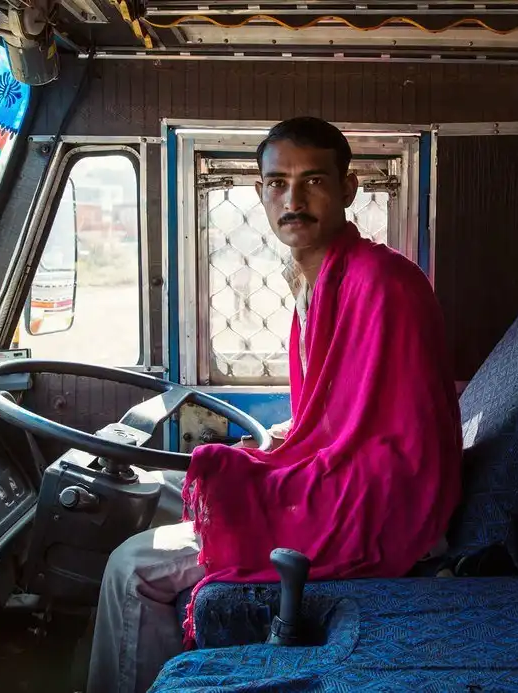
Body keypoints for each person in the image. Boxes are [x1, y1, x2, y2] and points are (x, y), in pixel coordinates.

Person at [87, 117, 462, 693]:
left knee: (129, 568)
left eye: (314, 181)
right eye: (277, 183)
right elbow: (339, 414)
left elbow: (396, 441)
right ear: (260, 191)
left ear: (348, 189)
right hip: (341, 473)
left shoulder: (383, 283)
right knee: (155, 491)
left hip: (379, 502)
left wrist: (272, 469)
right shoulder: (315, 281)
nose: (294, 199)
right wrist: (276, 443)